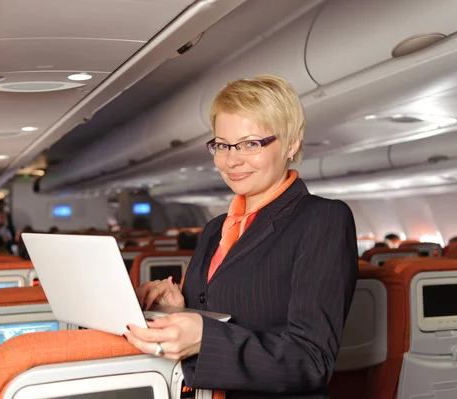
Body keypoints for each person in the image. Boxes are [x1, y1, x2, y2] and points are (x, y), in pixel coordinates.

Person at [126, 75, 358, 398]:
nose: (231, 160)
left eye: (251, 144)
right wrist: (178, 311)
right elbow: (220, 312)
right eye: (222, 145)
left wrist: (206, 340)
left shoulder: (322, 220)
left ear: (292, 143)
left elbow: (311, 359)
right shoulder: (213, 229)